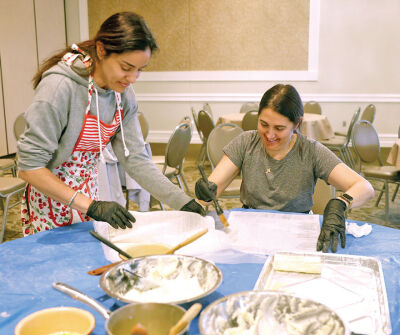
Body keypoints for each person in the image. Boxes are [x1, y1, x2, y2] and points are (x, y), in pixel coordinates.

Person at [17, 12, 204, 235]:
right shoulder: (59, 87)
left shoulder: (122, 94)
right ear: (101, 50)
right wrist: (91, 206)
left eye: (139, 70)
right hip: (51, 202)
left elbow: (135, 159)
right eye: (126, 68)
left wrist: (182, 201)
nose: (132, 78)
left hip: (89, 196)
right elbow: (29, 168)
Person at [195, 84, 374, 253]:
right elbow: (213, 186)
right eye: (263, 124)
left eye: (279, 128)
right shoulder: (246, 142)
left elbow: (364, 187)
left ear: (297, 124)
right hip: (251, 230)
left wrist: (341, 203)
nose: (269, 135)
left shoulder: (310, 151)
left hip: (297, 231)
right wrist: (206, 190)